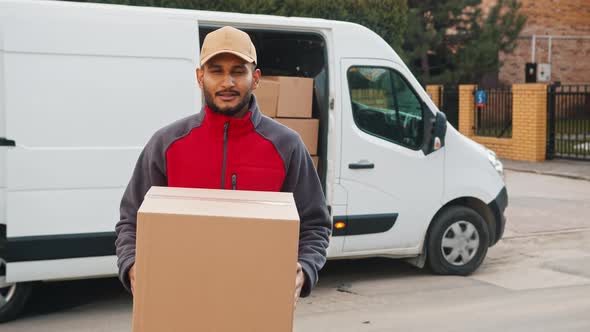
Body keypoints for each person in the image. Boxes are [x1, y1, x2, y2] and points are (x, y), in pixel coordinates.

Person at [114, 26, 331, 304]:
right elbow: (131, 221)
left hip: (258, 302)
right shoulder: (166, 144)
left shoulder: (287, 146)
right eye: (216, 70)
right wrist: (132, 263)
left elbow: (315, 224)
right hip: (178, 300)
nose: (227, 82)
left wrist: (305, 268)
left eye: (238, 71)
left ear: (256, 79)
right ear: (200, 77)